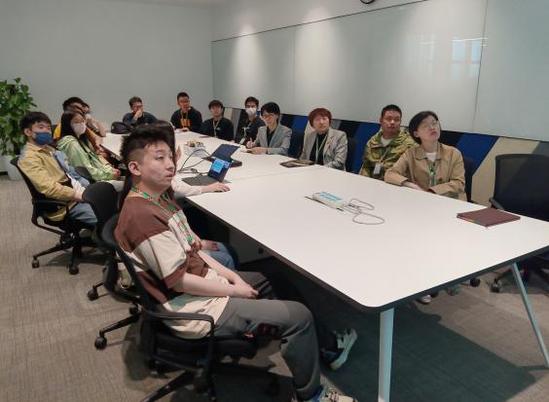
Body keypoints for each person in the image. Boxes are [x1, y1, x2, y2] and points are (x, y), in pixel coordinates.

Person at [114, 126, 357, 402]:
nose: (170, 164)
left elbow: (193, 250)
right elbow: (179, 281)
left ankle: (329, 348)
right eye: (159, 158)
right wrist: (234, 290)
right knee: (299, 317)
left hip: (202, 284)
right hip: (194, 307)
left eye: (171, 156)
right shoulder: (142, 215)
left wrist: (233, 277)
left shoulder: (158, 198)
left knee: (273, 280)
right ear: (135, 167)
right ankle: (311, 396)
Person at [385, 110, 466, 304]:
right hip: (421, 209)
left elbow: (459, 183)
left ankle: (446, 275)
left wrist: (431, 192)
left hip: (449, 208)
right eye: (426, 125)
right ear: (416, 133)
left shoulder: (453, 153)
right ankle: (420, 282)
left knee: (433, 237)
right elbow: (390, 174)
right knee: (407, 235)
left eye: (435, 122)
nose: (432, 127)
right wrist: (410, 185)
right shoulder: (411, 153)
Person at [17, 112, 97, 226]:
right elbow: (49, 188)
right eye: (41, 127)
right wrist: (81, 196)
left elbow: (68, 171)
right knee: (107, 218)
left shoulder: (49, 148)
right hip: (66, 205)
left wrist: (87, 188)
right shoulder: (29, 158)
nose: (47, 131)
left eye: (48, 128)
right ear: (28, 132)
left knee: (113, 203)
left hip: (77, 190)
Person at [56, 112, 121, 182]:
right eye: (76, 122)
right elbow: (86, 171)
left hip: (98, 176)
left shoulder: (79, 140)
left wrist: (109, 170)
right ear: (67, 124)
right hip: (92, 181)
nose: (81, 124)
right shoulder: (72, 144)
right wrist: (109, 174)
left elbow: (93, 161)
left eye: (82, 121)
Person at [359, 104, 416, 179]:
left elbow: (411, 172)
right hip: (371, 181)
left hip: (395, 182)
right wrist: (364, 180)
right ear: (381, 121)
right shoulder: (372, 142)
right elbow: (366, 166)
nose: (392, 122)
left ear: (400, 122)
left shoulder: (409, 144)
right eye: (388, 119)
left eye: (397, 120)